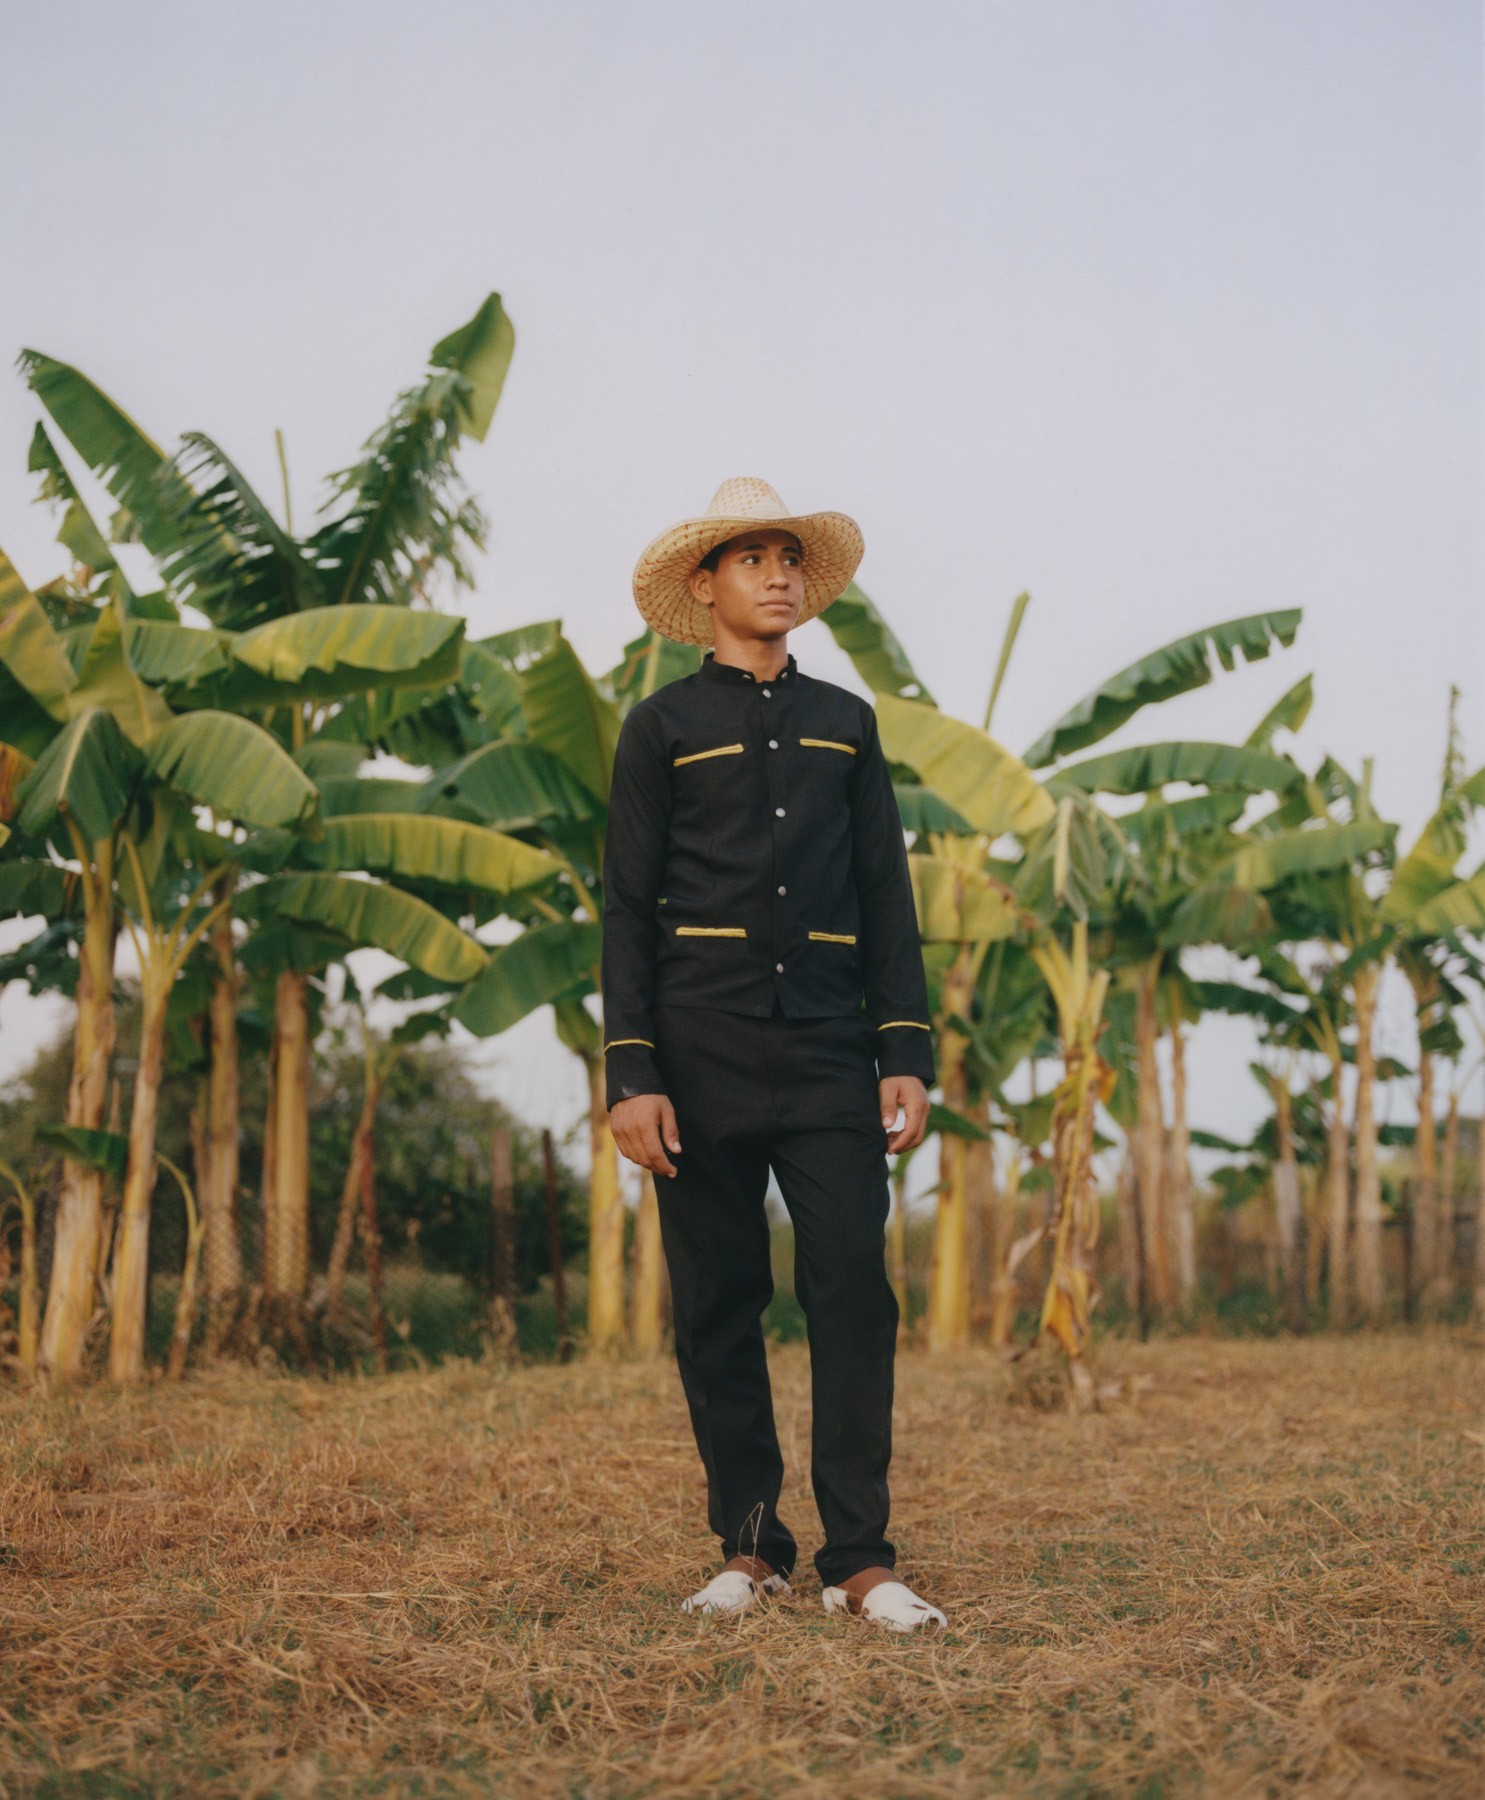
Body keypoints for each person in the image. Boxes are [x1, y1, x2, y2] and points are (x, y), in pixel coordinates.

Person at [602, 477, 947, 1634]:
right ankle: (749, 1550)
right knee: (717, 1299)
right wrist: (631, 1071)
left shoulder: (847, 725)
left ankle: (862, 1558)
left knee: (852, 1285)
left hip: (830, 1056)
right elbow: (624, 909)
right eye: (752, 558)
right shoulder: (659, 730)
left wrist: (902, 1045)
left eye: (789, 556)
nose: (779, 573)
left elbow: (887, 899)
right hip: (695, 1055)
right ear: (706, 587)